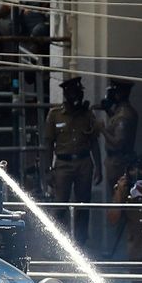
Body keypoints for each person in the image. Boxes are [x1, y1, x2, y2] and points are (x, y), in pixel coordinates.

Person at [41, 75, 102, 204]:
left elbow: (94, 142)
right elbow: (48, 144)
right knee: (60, 204)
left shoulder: (87, 114)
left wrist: (98, 168)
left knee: (83, 203)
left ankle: (81, 225)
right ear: (67, 94)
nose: (77, 97)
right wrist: (47, 170)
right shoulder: (55, 114)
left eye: (79, 93)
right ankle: (59, 225)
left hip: (83, 162)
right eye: (74, 93)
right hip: (63, 164)